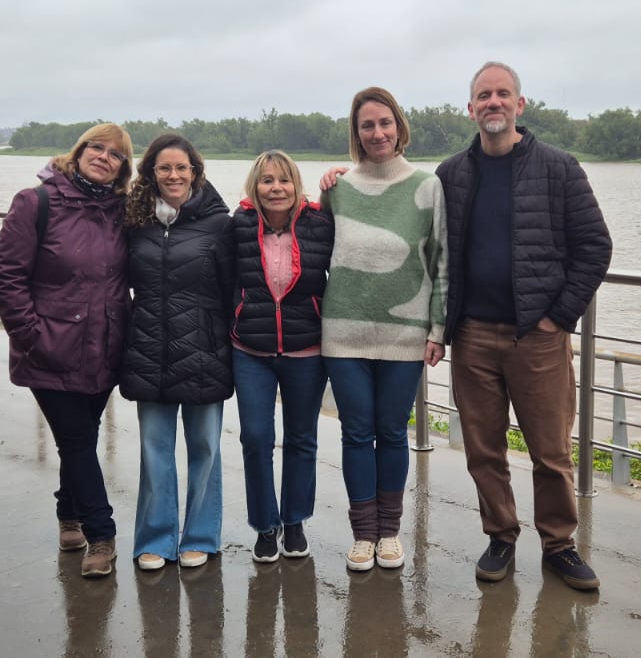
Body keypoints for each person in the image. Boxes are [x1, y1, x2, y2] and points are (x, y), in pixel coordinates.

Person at [437, 61, 612, 590]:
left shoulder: (559, 168)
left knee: (551, 451)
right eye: (483, 96)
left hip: (537, 338)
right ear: (470, 109)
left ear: (520, 104)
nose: (493, 103)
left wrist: (558, 318)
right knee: (483, 449)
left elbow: (595, 248)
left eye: (502, 94)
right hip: (472, 336)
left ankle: (559, 546)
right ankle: (501, 536)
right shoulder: (451, 174)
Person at [0, 124, 135, 578]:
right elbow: (6, 276)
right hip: (50, 348)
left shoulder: (121, 211)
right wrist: (32, 336)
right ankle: (101, 533)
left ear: (123, 169)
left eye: (115, 154)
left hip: (104, 348)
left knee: (81, 439)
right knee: (75, 439)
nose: (104, 157)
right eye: (97, 147)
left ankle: (67, 513)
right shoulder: (37, 202)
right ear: (79, 151)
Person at [320, 87, 447, 572]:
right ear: (356, 132)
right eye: (367, 125)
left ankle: (389, 533)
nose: (377, 133)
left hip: (406, 334)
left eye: (385, 123)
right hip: (343, 333)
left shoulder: (427, 185)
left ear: (399, 126)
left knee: (392, 431)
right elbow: (314, 249)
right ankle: (363, 535)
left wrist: (437, 327)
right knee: (356, 433)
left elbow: (441, 260)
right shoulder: (337, 187)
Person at [120, 133, 234, 571]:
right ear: (151, 172)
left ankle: (201, 536)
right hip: (149, 345)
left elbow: (231, 289)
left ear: (195, 172)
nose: (173, 175)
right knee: (154, 448)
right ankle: (155, 538)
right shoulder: (135, 221)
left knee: (205, 445)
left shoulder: (219, 224)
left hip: (205, 347)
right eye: (164, 168)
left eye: (181, 168)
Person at [230, 150, 335, 563]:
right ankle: (264, 525)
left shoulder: (319, 224)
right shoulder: (236, 226)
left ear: (297, 185)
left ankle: (294, 522)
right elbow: (222, 279)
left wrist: (340, 177)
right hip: (250, 350)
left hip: (306, 349)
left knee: (301, 439)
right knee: (256, 439)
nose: (276, 188)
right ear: (254, 186)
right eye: (267, 180)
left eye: (284, 180)